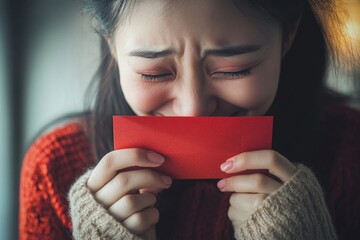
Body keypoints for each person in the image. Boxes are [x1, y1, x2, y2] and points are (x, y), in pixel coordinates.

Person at [19, 0, 360, 239]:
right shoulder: (54, 170)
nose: (192, 109)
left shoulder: (350, 152)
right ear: (111, 46)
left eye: (233, 69)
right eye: (154, 73)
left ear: (288, 34)